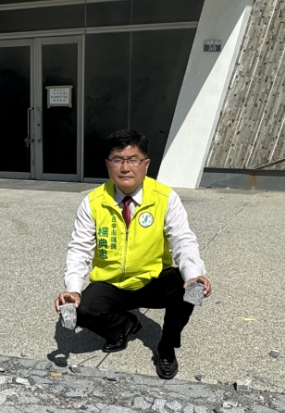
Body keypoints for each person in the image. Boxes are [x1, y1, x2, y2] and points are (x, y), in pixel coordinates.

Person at [54, 129, 211, 380]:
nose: (125, 167)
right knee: (80, 309)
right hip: (112, 283)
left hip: (153, 280)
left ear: (146, 165)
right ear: (108, 164)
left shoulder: (165, 197)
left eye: (133, 159)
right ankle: (124, 325)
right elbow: (79, 248)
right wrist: (72, 288)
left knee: (192, 291)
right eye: (118, 159)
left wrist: (194, 274)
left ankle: (167, 347)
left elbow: (183, 239)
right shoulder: (93, 202)